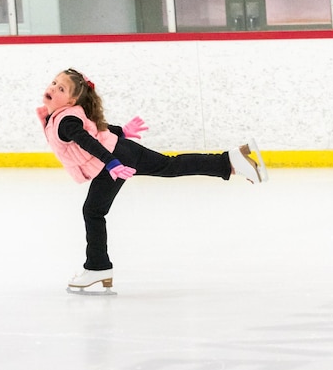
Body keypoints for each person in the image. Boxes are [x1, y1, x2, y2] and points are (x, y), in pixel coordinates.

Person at [36, 68, 267, 293]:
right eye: (54, 83)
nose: (53, 88)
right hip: (121, 151)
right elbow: (94, 130)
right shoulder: (64, 116)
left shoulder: (65, 121)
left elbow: (88, 141)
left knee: (93, 211)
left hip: (115, 160)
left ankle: (98, 267)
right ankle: (230, 161)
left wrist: (111, 163)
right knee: (170, 165)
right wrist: (122, 132)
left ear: (72, 99)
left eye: (62, 88)